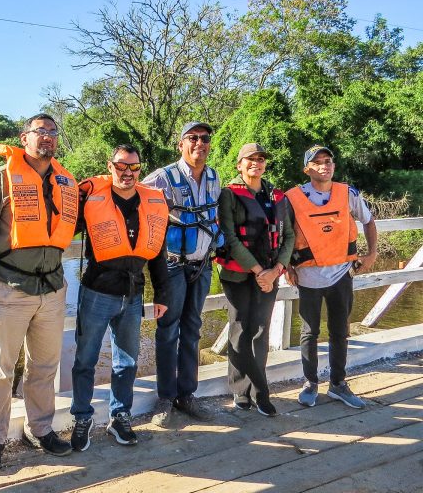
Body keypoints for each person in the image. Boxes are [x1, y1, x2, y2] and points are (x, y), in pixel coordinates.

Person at [0, 113, 79, 474]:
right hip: (10, 288)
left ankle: (40, 429)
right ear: (24, 137)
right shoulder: (1, 178)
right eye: (39, 131)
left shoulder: (66, 181)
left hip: (53, 288)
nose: (46, 137)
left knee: (45, 367)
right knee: (1, 370)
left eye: (52, 132)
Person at [70, 144, 170, 451]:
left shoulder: (152, 202)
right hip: (97, 291)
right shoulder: (91, 198)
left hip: (133, 293)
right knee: (85, 360)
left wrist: (162, 293)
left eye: (133, 167)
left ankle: (119, 416)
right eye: (121, 166)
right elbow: (60, 229)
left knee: (127, 362)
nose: (127, 173)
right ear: (110, 166)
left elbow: (158, 254)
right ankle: (82, 418)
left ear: (140, 169)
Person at [142, 121, 224, 425]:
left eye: (204, 139)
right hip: (173, 265)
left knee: (193, 328)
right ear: (181, 144)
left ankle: (187, 394)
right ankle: (165, 398)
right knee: (167, 330)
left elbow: (215, 215)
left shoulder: (214, 177)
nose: (199, 144)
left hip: (202, 264)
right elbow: (132, 198)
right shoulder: (162, 178)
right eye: (192, 138)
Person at [286, 145, 377, 409]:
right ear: (307, 169)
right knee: (309, 332)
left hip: (341, 275)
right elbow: (283, 235)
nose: (324, 165)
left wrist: (371, 254)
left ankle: (338, 384)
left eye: (328, 161)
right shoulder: (292, 198)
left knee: (340, 332)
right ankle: (310, 383)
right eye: (317, 162)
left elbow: (369, 221)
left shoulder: (347, 193)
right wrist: (287, 266)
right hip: (308, 277)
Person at [215, 143, 295, 417]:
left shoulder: (277, 196)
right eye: (250, 159)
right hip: (239, 274)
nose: (256, 163)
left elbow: (289, 236)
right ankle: (241, 391)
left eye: (261, 159)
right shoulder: (229, 195)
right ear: (239, 165)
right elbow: (229, 235)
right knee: (239, 330)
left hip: (271, 274)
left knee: (261, 331)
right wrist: (258, 270)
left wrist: (277, 269)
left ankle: (259, 392)